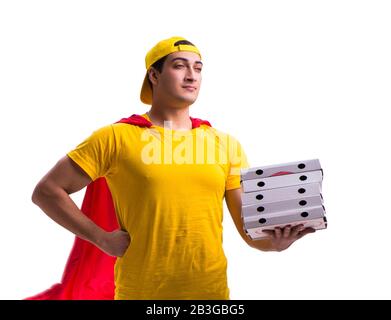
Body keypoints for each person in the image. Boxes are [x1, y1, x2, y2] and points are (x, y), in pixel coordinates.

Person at [30, 36, 315, 300]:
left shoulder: (225, 144)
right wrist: (101, 239)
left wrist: (276, 243)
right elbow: (47, 192)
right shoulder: (116, 137)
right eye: (179, 66)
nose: (192, 76)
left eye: (198, 68)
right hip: (140, 293)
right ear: (154, 75)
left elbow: (249, 231)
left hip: (210, 295)